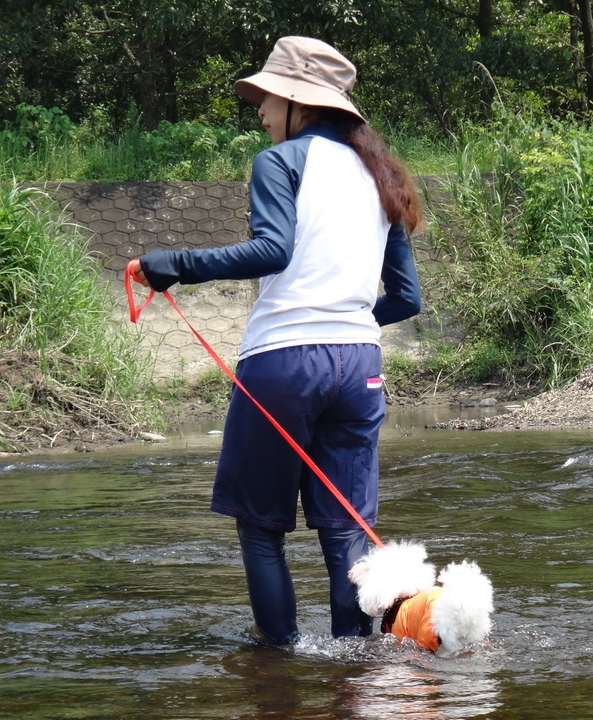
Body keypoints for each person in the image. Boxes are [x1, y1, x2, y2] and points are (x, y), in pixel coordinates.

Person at [130, 36, 423, 644]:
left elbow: (272, 250)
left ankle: (279, 667)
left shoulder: (280, 161)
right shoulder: (382, 175)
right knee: (346, 531)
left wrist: (173, 263)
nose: (260, 110)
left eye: (267, 98)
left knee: (261, 529)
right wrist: (347, 323)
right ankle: (354, 667)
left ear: (299, 103)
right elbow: (407, 298)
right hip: (361, 366)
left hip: (283, 362)